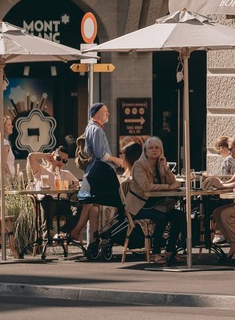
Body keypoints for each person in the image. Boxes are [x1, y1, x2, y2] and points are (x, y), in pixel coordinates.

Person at [70, 104, 125, 244]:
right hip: (100, 173)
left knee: (91, 205)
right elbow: (102, 155)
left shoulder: (90, 128)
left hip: (92, 172)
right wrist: (116, 160)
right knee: (117, 204)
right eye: (105, 112)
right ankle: (96, 236)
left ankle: (88, 238)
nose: (108, 114)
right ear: (96, 115)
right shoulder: (97, 130)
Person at [127, 136, 186, 265]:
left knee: (180, 217)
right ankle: (156, 252)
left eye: (157, 148)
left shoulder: (160, 164)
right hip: (140, 206)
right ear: (145, 151)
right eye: (151, 148)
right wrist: (169, 187)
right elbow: (146, 187)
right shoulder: (139, 165)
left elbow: (173, 182)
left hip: (157, 204)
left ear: (161, 150)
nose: (154, 150)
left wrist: (165, 168)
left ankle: (170, 251)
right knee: (162, 217)